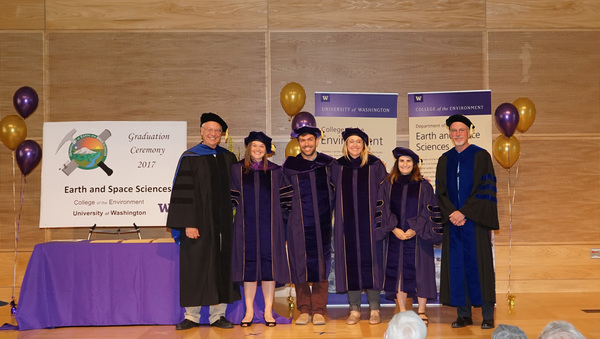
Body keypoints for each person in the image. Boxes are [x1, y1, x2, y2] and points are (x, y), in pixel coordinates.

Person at [167, 112, 240, 330]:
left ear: (222, 135)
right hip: (197, 225)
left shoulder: (228, 158)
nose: (213, 134)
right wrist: (189, 223)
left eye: (217, 131)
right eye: (209, 130)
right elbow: (183, 194)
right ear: (201, 131)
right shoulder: (190, 157)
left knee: (221, 266)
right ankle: (192, 316)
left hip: (224, 226)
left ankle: (218, 315)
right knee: (195, 266)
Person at [435, 114, 499, 330]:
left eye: (461, 130)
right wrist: (452, 213)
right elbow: (440, 192)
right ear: (449, 134)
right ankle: (464, 314)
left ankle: (488, 315)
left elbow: (486, 189)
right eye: (453, 130)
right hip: (453, 224)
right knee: (457, 266)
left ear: (469, 131)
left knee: (480, 266)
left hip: (475, 222)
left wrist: (465, 213)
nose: (457, 134)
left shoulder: (481, 156)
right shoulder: (445, 159)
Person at [230, 131, 290, 327]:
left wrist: (283, 225)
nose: (257, 149)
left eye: (261, 147)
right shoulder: (237, 170)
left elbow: (286, 201)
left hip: (271, 228)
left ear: (267, 150)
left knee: (269, 269)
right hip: (244, 227)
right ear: (249, 148)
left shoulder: (275, 171)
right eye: (254, 146)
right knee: (248, 269)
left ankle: (267, 311)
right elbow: (230, 200)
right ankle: (248, 311)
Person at [379, 147, 443, 327]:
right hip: (396, 235)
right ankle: (402, 310)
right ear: (396, 164)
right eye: (401, 161)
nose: (405, 164)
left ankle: (421, 310)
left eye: (408, 161)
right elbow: (383, 209)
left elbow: (430, 209)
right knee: (398, 271)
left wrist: (416, 228)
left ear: (414, 164)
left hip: (419, 236)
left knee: (422, 272)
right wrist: (393, 229)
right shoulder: (388, 185)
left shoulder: (424, 185)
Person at [332, 128, 388, 325]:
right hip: (346, 226)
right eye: (351, 142)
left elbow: (386, 193)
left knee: (372, 263)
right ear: (345, 145)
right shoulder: (337, 166)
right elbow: (328, 194)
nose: (354, 145)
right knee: (351, 265)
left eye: (358, 141)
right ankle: (354, 309)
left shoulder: (375, 165)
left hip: (370, 225)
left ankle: (375, 308)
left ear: (364, 145)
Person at [281, 125, 336, 326]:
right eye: (303, 140)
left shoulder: (328, 164)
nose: (306, 144)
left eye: (310, 140)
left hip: (322, 223)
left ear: (316, 141)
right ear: (299, 142)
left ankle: (319, 310)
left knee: (321, 266)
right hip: (298, 224)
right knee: (299, 265)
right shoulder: (290, 166)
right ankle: (304, 309)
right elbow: (282, 195)